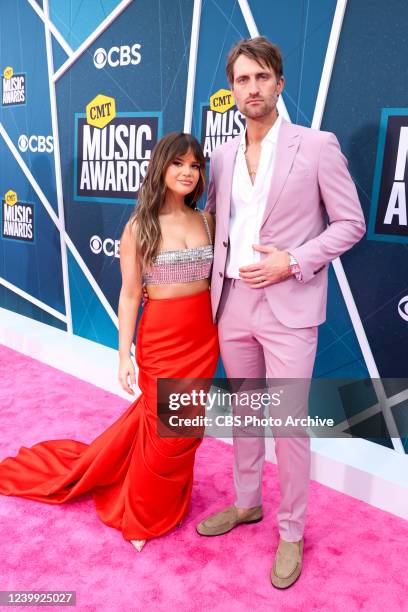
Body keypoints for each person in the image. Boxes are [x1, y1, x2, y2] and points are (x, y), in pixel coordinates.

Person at [195, 37, 366, 589]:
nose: (252, 88)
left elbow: (350, 223)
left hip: (289, 304)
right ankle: (247, 503)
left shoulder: (316, 146)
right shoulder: (219, 155)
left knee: (289, 425)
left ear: (279, 83)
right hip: (232, 303)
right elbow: (215, 225)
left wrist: (293, 260)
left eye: (261, 77)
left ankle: (291, 530)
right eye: (242, 80)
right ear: (232, 90)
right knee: (245, 414)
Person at [0, 132, 219, 553]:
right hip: (161, 339)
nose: (188, 172)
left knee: (187, 428)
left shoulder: (208, 220)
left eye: (195, 165)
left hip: (202, 341)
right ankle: (142, 514)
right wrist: (124, 355)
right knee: (165, 430)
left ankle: (170, 499)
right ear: (161, 167)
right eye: (179, 164)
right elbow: (130, 294)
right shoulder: (141, 226)